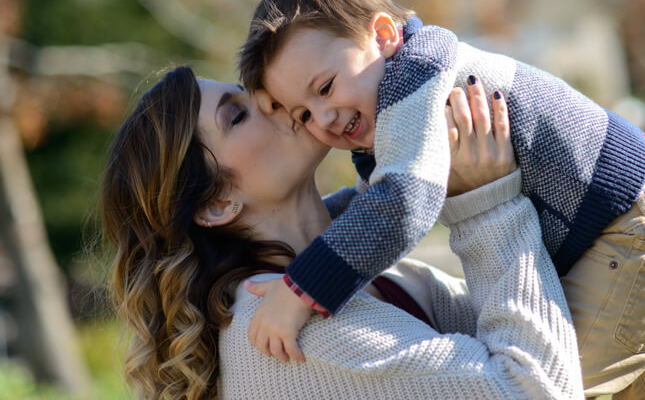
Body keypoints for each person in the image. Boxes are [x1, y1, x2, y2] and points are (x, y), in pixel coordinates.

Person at [237, 0, 645, 398]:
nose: (322, 119)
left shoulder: (414, 82)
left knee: (556, 379)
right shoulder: (396, 100)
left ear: (382, 37)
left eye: (324, 88)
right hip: (641, 224)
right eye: (302, 115)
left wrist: (303, 289)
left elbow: (401, 204)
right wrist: (303, 220)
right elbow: (372, 202)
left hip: (629, 234)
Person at [100, 65, 583, 399]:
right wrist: (488, 205)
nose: (270, 98)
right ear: (218, 203)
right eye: (238, 114)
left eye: (251, 92)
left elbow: (560, 336)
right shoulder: (280, 332)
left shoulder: (356, 277)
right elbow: (537, 387)